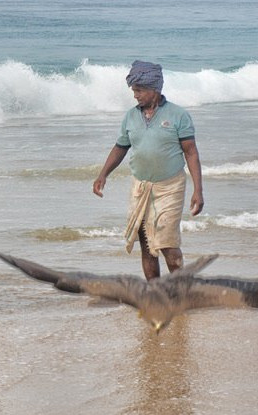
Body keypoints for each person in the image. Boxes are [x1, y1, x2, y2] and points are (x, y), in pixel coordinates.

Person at [92, 60, 204, 280]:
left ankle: (182, 289)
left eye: (139, 90)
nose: (135, 95)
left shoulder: (178, 116)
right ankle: (155, 291)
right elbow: (120, 147)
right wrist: (103, 174)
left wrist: (198, 191)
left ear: (155, 89)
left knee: (167, 243)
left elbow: (191, 153)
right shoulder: (130, 117)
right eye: (134, 90)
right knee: (146, 243)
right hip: (141, 187)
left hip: (170, 186)